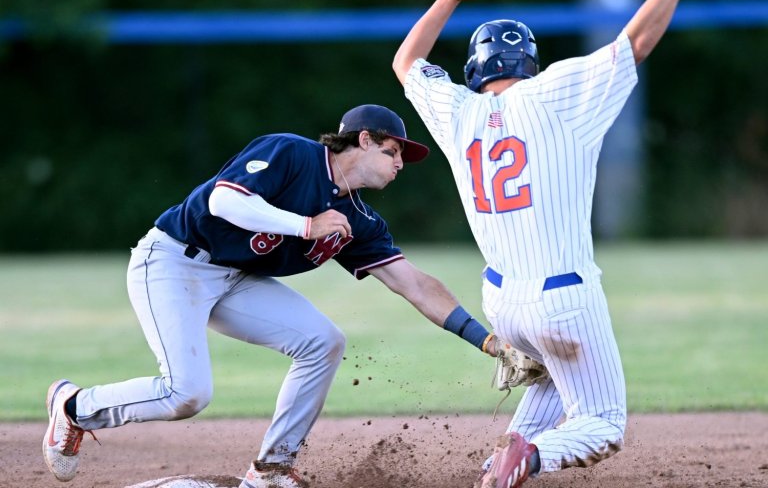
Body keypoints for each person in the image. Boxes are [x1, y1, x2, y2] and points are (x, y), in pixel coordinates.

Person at [42, 104, 502, 488]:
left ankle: (272, 469)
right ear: (362, 140)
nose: (400, 163)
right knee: (187, 394)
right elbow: (224, 201)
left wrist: (487, 341)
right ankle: (74, 407)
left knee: (323, 341)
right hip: (174, 262)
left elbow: (414, 283)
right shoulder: (292, 153)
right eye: (392, 151)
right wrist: (306, 225)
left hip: (236, 278)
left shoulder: (358, 220)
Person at [392, 0, 688, 486]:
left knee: (552, 376)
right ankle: (527, 457)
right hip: (566, 298)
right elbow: (637, 41)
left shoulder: (457, 110)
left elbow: (404, 63)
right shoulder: (555, 91)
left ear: (474, 69)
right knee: (603, 422)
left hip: (503, 305)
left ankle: (498, 467)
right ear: (529, 62)